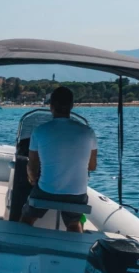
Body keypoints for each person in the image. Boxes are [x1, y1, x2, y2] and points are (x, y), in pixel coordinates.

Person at [20, 86, 97, 233]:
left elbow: (32, 166)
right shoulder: (88, 132)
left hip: (46, 190)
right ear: (72, 106)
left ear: (51, 106)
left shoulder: (40, 131)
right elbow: (92, 166)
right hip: (77, 194)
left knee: (27, 218)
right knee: (74, 223)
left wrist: (32, 179)